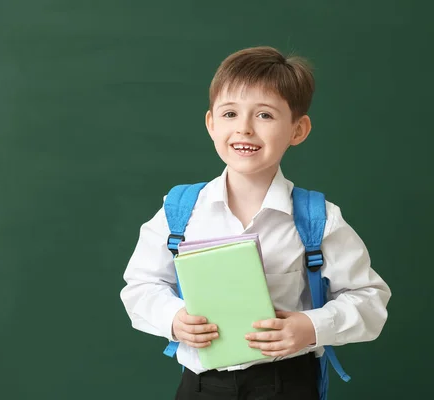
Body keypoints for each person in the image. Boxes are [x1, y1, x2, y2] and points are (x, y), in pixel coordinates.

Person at [120, 46, 391, 400]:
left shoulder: (317, 218)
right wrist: (173, 318)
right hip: (202, 386)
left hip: (286, 383)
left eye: (265, 115)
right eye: (230, 113)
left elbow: (369, 299)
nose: (244, 129)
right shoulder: (180, 210)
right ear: (211, 124)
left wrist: (309, 327)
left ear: (298, 129)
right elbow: (140, 285)